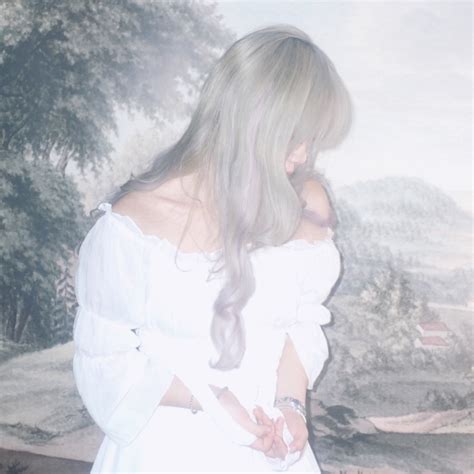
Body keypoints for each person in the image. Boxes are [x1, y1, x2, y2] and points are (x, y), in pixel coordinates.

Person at [72, 24, 352, 473]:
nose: (303, 154)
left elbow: (302, 322)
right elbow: (104, 362)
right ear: (251, 120)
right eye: (294, 135)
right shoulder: (133, 225)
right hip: (164, 449)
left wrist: (291, 406)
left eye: (310, 139)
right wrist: (211, 398)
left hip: (272, 454)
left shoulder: (304, 206)